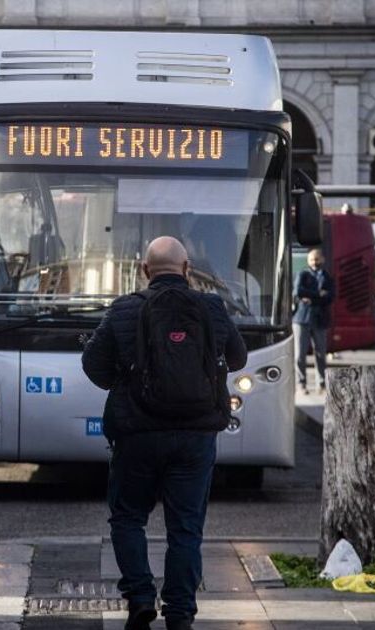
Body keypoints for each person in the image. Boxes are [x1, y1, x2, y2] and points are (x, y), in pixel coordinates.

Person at [82, 237, 247, 630]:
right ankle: (180, 613)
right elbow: (238, 358)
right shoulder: (211, 308)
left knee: (127, 518)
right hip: (195, 437)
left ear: (144, 271)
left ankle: (140, 597)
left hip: (137, 435)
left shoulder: (124, 310)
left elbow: (95, 368)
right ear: (188, 269)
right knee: (186, 528)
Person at [293, 248, 335, 393]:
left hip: (320, 320)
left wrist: (310, 297)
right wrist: (318, 294)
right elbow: (298, 292)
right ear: (308, 261)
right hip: (301, 320)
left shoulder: (328, 277)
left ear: (322, 259)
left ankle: (321, 383)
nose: (314, 262)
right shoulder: (303, 274)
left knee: (320, 354)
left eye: (317, 259)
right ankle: (301, 382)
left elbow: (330, 297)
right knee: (300, 354)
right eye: (312, 259)